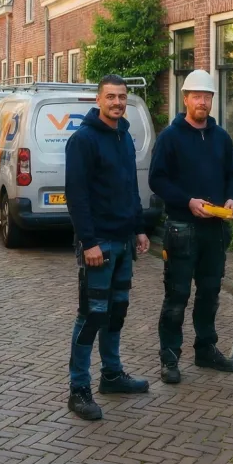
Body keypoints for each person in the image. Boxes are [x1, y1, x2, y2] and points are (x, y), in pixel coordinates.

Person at [64, 75, 152, 420]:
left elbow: (131, 187)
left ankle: (112, 375)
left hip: (124, 241)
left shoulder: (124, 137)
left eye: (122, 97)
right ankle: (78, 388)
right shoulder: (83, 140)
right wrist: (89, 242)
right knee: (91, 315)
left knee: (116, 312)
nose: (117, 102)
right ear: (98, 100)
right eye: (111, 96)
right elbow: (77, 195)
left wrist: (140, 228)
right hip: (98, 244)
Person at [149, 69, 233, 384]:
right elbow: (157, 179)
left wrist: (231, 198)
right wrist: (187, 200)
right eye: (197, 96)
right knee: (176, 296)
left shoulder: (221, 137)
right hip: (181, 229)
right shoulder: (170, 137)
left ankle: (205, 349)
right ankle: (170, 358)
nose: (203, 102)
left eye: (208, 97)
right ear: (185, 98)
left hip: (215, 230)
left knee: (210, 293)